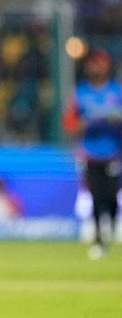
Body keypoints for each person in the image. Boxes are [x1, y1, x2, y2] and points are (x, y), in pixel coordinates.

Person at [65, 48, 122, 259]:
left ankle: (112, 230)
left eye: (99, 62)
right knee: (97, 197)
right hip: (90, 153)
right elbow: (70, 123)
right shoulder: (81, 93)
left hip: (113, 153)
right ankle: (99, 238)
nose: (95, 67)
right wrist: (85, 124)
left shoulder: (116, 92)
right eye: (92, 63)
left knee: (111, 196)